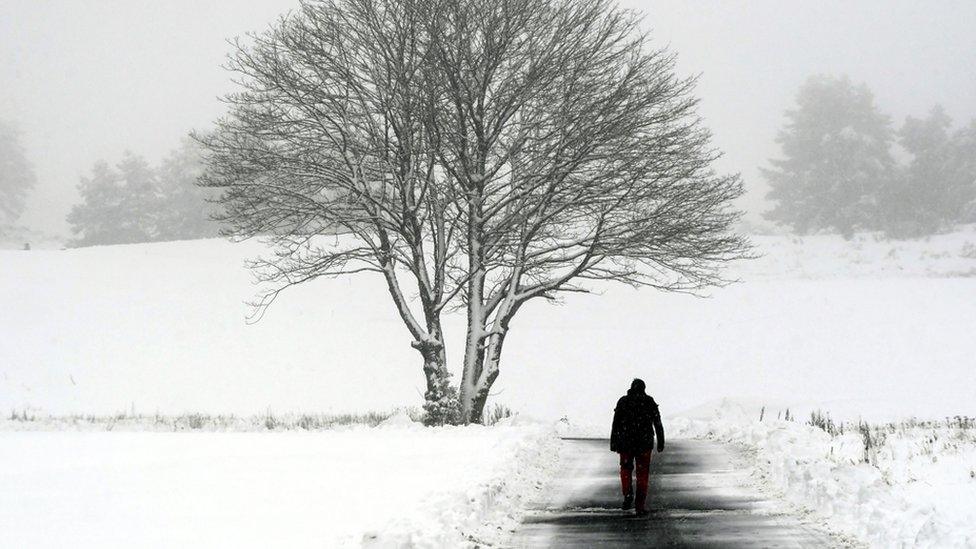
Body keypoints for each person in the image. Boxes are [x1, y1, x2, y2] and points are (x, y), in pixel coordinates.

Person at [610, 378, 665, 517]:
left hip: (625, 443)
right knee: (642, 473)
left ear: (631, 388)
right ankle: (640, 506)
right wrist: (660, 441)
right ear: (644, 389)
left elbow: (615, 424)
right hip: (644, 444)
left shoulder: (623, 401)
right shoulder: (649, 402)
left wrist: (614, 442)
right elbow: (657, 423)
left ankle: (627, 493)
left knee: (625, 469)